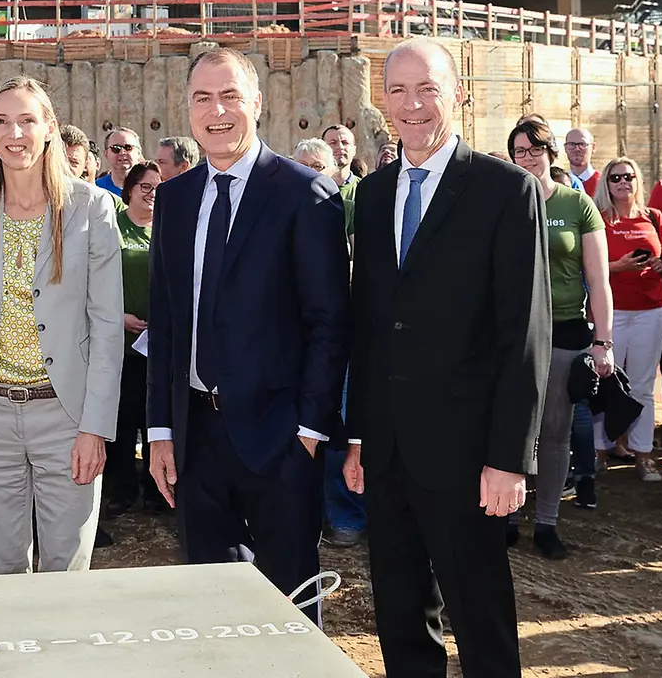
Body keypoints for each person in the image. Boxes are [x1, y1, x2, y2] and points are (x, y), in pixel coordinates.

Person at [343, 38, 551, 678]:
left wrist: (508, 458)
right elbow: (371, 327)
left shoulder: (506, 191)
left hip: (469, 457)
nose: (413, 105)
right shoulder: (373, 196)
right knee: (401, 620)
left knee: (481, 622)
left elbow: (525, 334)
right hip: (387, 452)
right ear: (383, 103)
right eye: (398, 91)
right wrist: (358, 437)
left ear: (458, 94)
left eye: (427, 88)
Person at [145, 50, 348, 612]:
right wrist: (161, 429)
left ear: (257, 103)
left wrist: (309, 428)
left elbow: (329, 321)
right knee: (210, 602)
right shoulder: (176, 198)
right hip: (194, 435)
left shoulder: (304, 193)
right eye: (202, 98)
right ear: (186, 108)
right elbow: (164, 320)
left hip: (280, 436)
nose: (217, 111)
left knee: (290, 604)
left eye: (230, 96)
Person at [0, 77, 123, 575]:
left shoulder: (91, 207)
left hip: (66, 418)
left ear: (49, 129)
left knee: (66, 574)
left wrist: (95, 428)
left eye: (26, 120)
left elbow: (106, 327)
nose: (14, 132)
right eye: (1, 121)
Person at [508, 117, 612, 556]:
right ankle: (507, 515)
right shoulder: (503, 201)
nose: (527, 158)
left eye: (534, 150)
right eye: (519, 152)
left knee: (555, 432)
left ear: (551, 154)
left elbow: (599, 278)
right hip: (513, 334)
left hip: (566, 330)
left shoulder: (577, 205)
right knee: (512, 429)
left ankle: (547, 522)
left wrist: (603, 342)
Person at [595, 156, 662, 483]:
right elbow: (587, 266)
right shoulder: (599, 219)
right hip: (612, 312)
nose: (623, 183)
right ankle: (600, 451)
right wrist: (619, 267)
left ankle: (644, 455)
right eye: (616, 178)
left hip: (652, 310)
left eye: (629, 176)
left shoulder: (653, 218)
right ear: (607, 183)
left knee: (642, 386)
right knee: (605, 383)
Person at [104, 159, 161, 521]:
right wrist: (117, 316)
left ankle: (158, 490)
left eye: (158, 187)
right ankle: (123, 490)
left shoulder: (168, 229)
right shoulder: (113, 228)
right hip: (120, 345)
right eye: (145, 187)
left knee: (155, 420)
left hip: (158, 346)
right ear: (129, 191)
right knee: (123, 423)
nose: (152, 194)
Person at [97, 128, 141, 197]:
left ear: (138, 153)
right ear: (106, 154)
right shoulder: (97, 189)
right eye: (116, 148)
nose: (122, 152)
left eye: (128, 147)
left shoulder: (150, 188)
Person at [564, 128, 600, 196]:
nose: (577, 149)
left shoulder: (604, 183)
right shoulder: (559, 183)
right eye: (571, 144)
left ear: (593, 147)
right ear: (565, 148)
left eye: (582, 144)